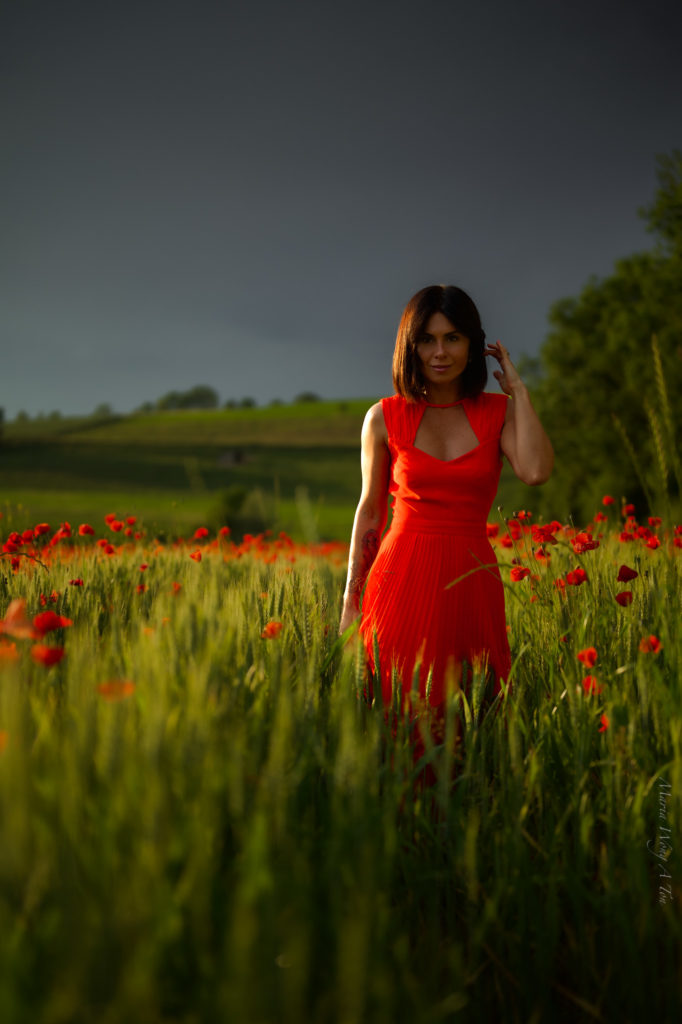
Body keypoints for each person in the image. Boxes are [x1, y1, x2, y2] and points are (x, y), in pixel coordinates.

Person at [339, 284, 553, 781]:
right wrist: (351, 599)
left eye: (453, 338)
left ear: (473, 344)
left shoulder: (498, 412)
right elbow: (370, 512)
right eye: (427, 339)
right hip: (399, 579)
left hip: (470, 580)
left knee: (473, 721)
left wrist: (518, 392)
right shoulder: (383, 417)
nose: (440, 353)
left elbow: (536, 471)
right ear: (409, 346)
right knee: (398, 719)